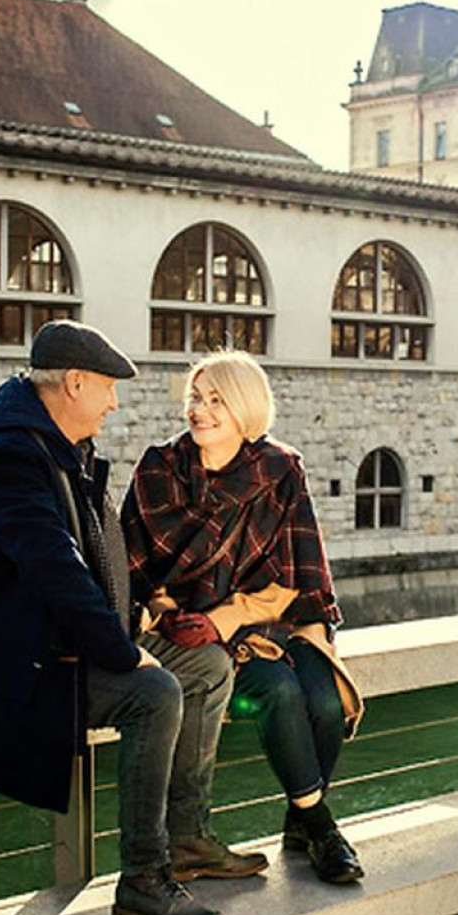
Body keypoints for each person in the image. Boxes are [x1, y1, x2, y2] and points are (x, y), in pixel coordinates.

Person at [0, 321, 255, 915]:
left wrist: (137, 621)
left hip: (66, 644)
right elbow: (53, 566)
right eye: (107, 388)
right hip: (19, 661)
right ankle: (143, 878)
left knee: (207, 666)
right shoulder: (11, 457)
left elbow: (99, 559)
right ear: (74, 382)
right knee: (155, 693)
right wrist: (121, 652)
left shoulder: (59, 448)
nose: (113, 403)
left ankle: (188, 836)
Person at [123, 351, 368, 885]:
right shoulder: (157, 470)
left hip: (271, 619)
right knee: (279, 692)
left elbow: (296, 573)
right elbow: (135, 573)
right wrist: (173, 615)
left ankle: (301, 820)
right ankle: (321, 826)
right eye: (196, 397)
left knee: (325, 699)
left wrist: (231, 616)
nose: (200, 410)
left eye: (216, 401)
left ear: (245, 409)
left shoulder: (280, 469)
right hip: (191, 639)